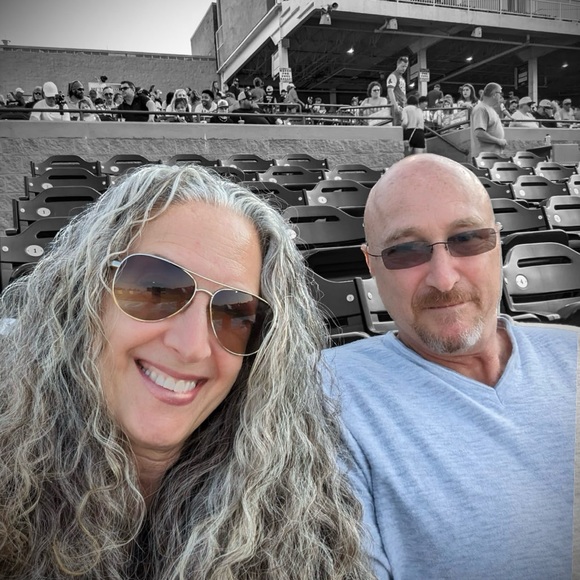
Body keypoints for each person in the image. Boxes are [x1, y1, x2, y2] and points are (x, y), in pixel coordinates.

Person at [0, 164, 374, 579]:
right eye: (154, 289)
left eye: (235, 314)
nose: (193, 347)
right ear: (82, 294)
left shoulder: (298, 522)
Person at [323, 153, 579, 580]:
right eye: (405, 251)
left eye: (467, 239)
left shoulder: (574, 353)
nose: (443, 279)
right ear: (370, 264)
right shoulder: (326, 392)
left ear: (497, 243)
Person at [470, 82, 506, 160]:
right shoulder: (481, 109)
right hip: (485, 158)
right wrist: (498, 141)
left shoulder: (489, 108)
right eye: (500, 93)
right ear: (494, 94)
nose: (501, 96)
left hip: (492, 157)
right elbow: (479, 133)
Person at [385, 56, 409, 126]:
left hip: (402, 106)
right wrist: (395, 106)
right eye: (402, 66)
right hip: (396, 106)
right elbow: (390, 91)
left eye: (406, 66)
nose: (404, 68)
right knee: (397, 128)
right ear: (398, 64)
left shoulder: (401, 77)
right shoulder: (393, 76)